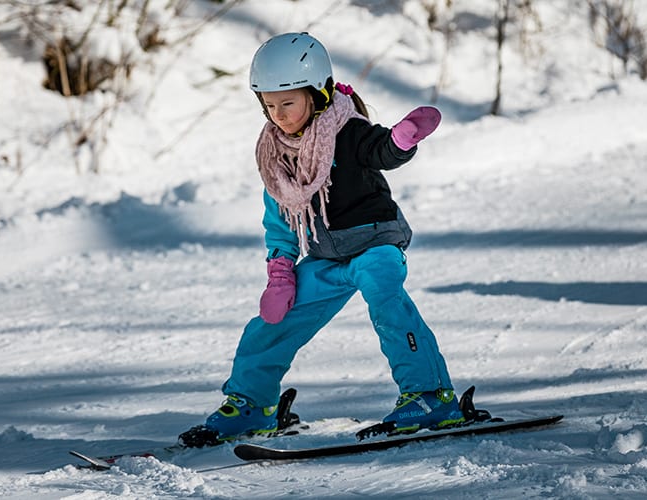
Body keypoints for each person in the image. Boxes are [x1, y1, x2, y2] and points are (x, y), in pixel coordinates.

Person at [178, 32, 462, 447]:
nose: (279, 114)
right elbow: (279, 218)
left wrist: (402, 140)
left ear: (319, 94)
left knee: (387, 302)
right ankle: (253, 404)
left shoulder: (347, 131)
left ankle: (429, 395)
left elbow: (380, 150)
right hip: (328, 257)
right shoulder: (276, 153)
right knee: (270, 325)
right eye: (269, 105)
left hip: (375, 245)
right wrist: (280, 273)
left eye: (287, 103)